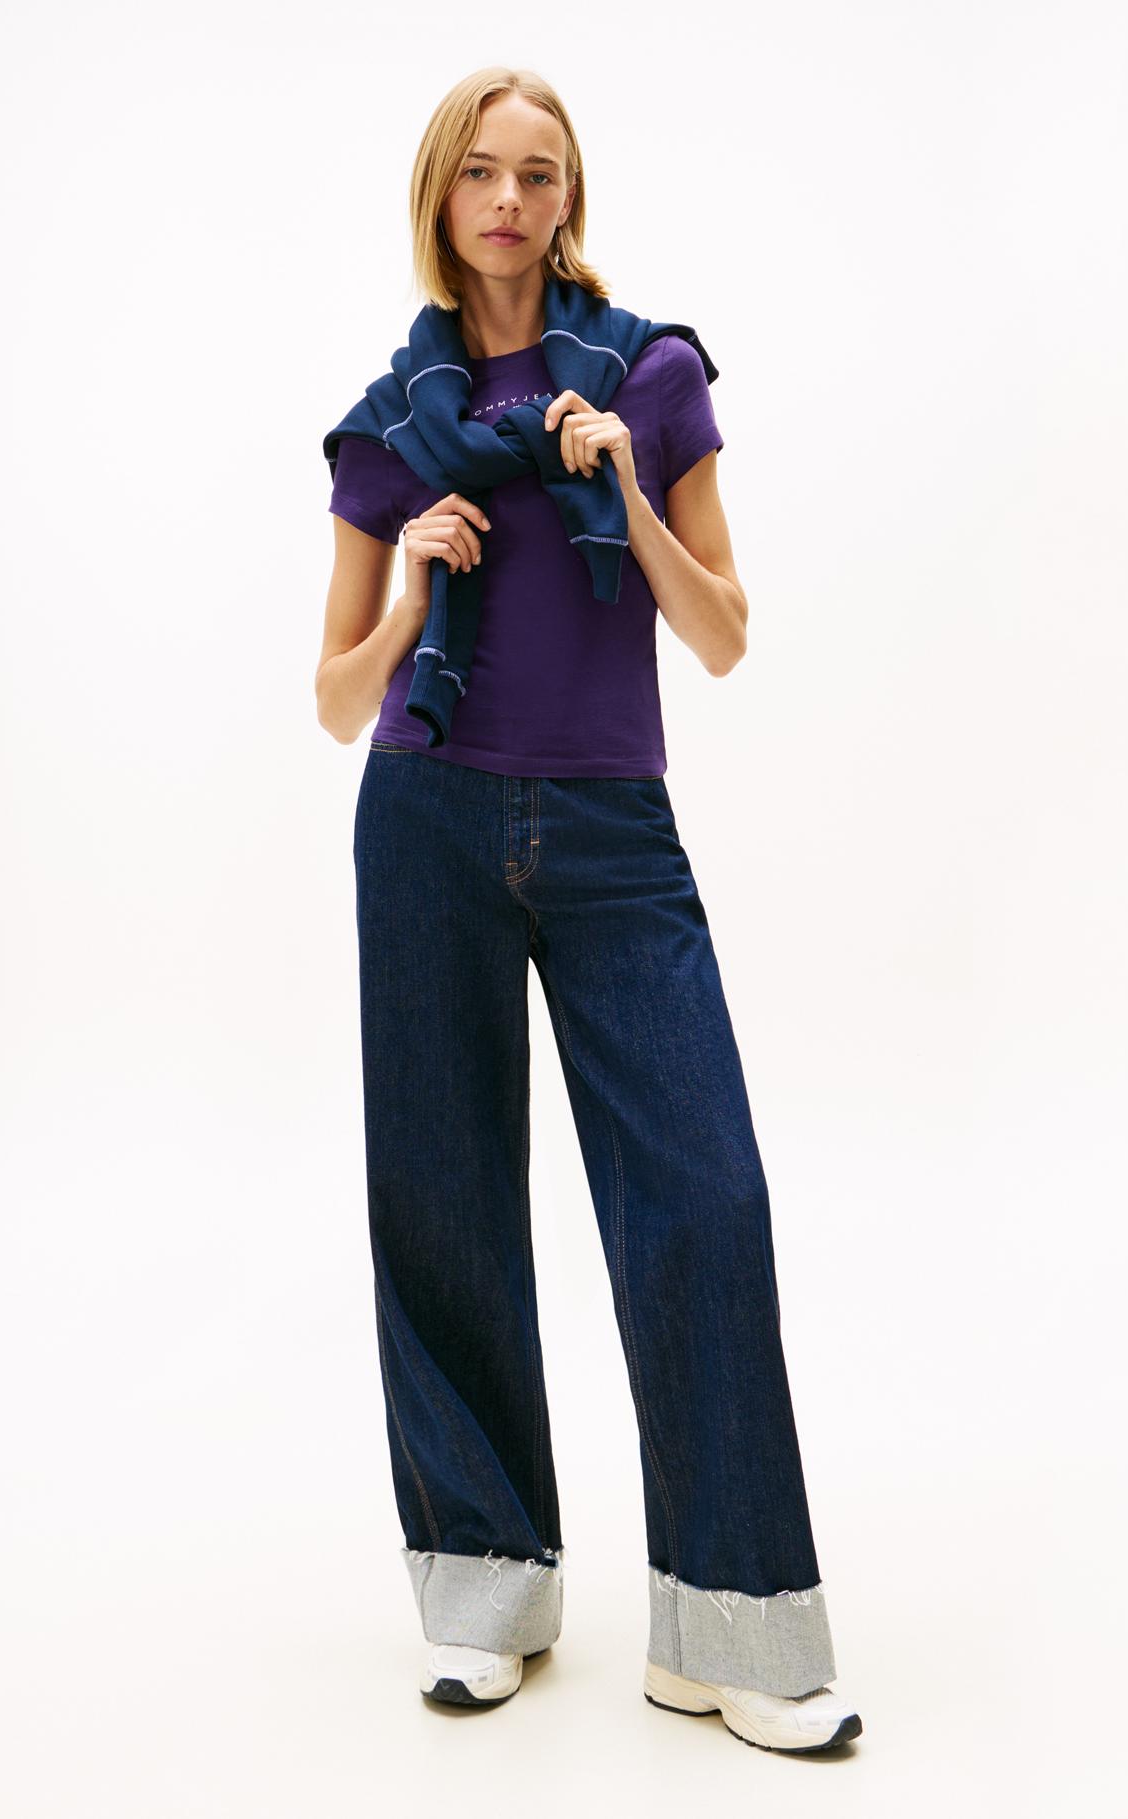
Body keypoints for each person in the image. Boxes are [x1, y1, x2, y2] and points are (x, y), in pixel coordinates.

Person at [317, 66, 863, 1755]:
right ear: (443, 192)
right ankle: (487, 1587)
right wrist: (415, 580)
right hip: (426, 820)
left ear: (571, 198)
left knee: (703, 1198)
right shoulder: (389, 424)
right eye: (482, 171)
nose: (510, 200)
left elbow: (725, 634)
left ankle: (732, 1623)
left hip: (615, 831)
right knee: (444, 1202)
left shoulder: (648, 377)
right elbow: (335, 698)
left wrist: (620, 488)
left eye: (539, 173)